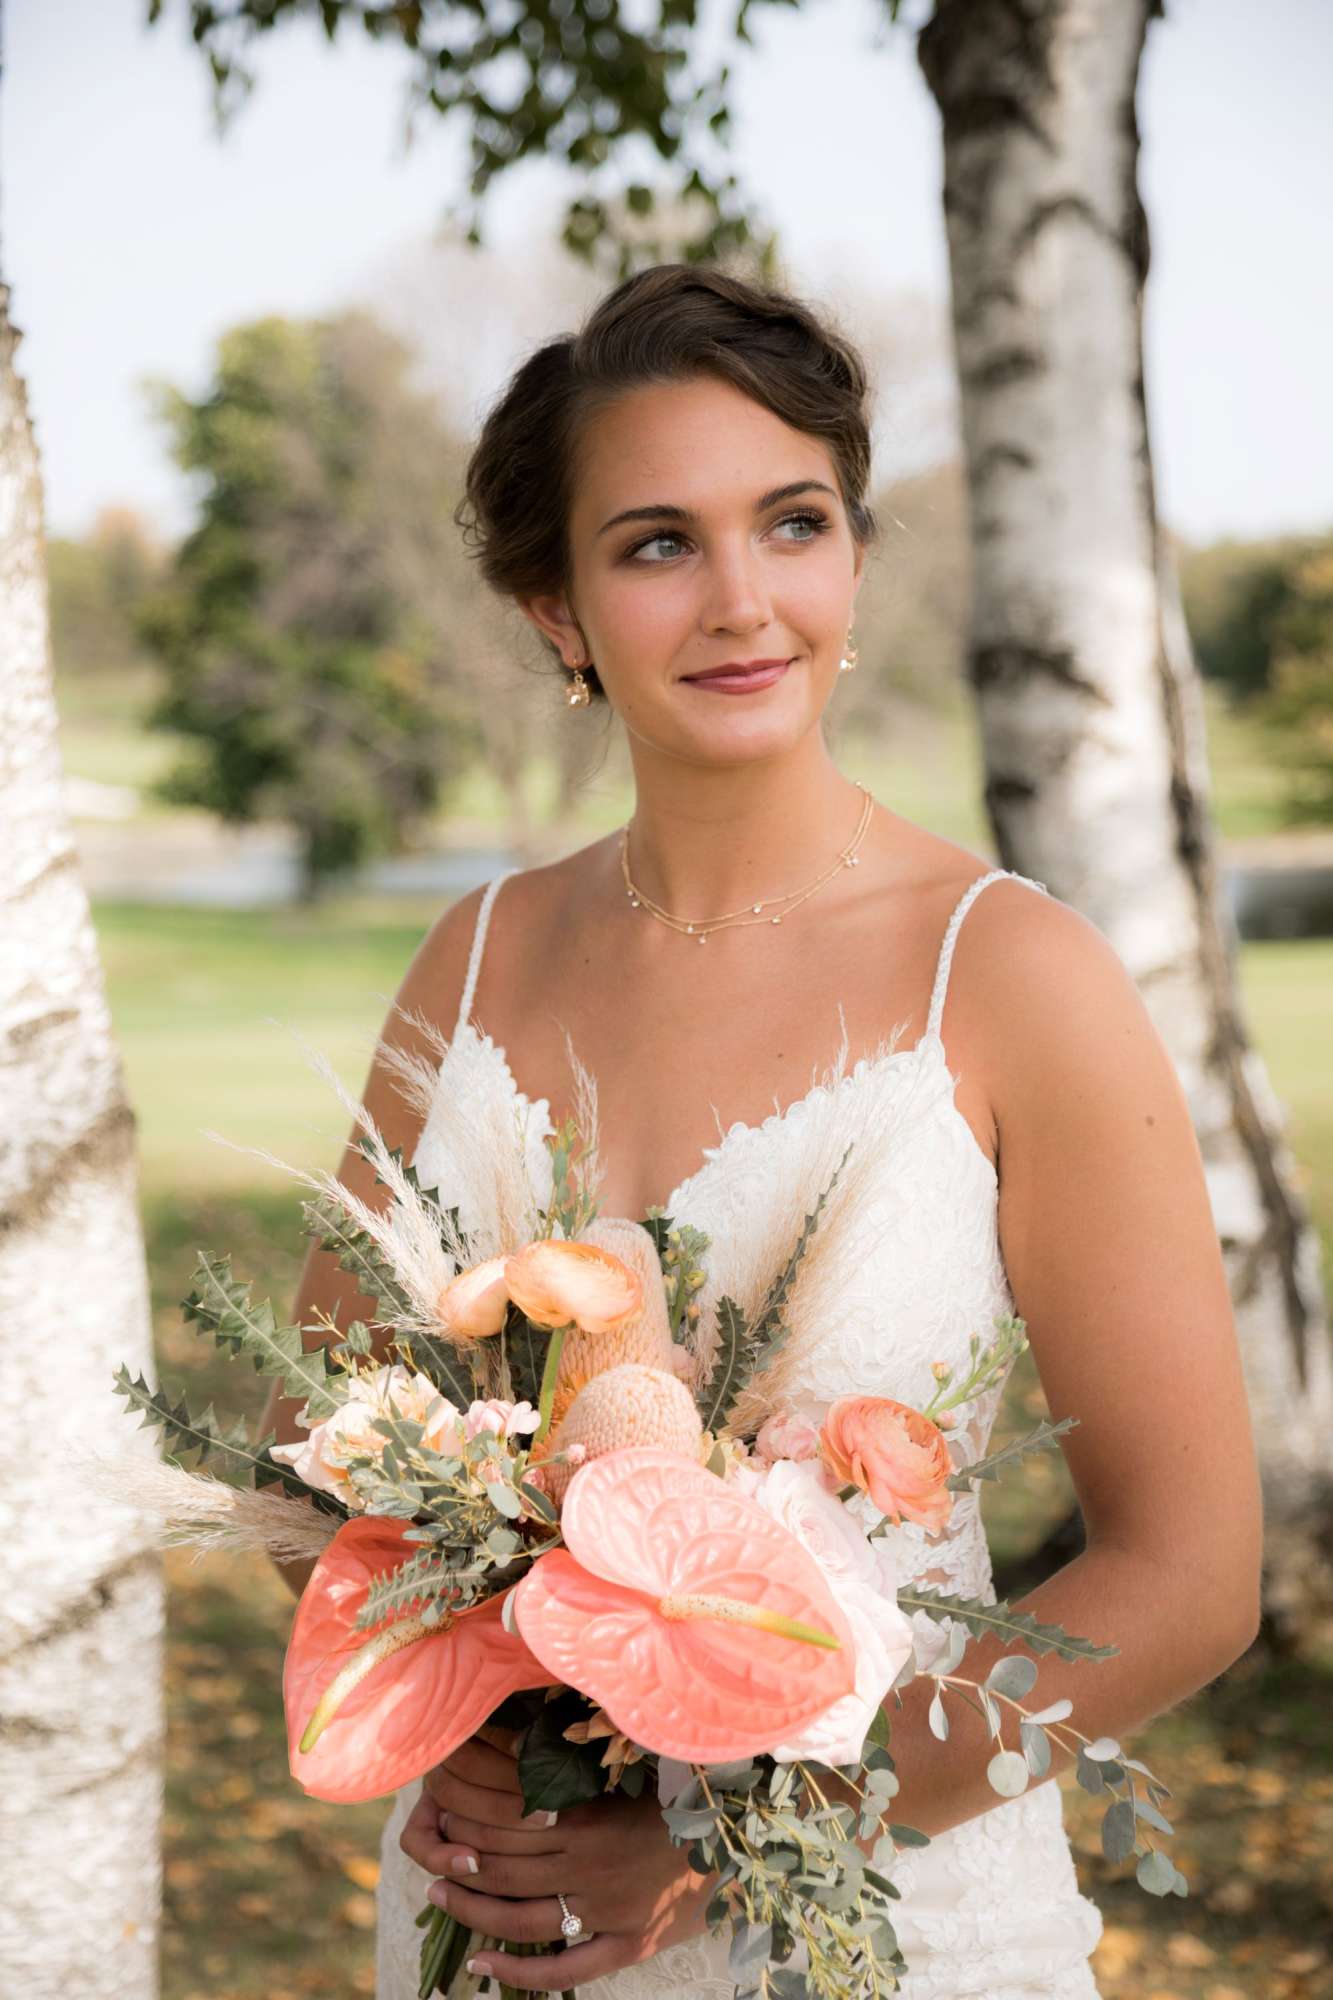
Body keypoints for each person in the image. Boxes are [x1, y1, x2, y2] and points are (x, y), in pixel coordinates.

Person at [261, 263, 1262, 1998]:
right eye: (656, 544)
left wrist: (736, 1835)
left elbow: (1188, 1578)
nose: (741, 601)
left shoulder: (1012, 973)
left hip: (883, 1936)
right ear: (554, 608)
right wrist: (449, 1729)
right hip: (497, 1924)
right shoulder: (475, 954)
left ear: (853, 558)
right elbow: (311, 1447)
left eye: (789, 524)